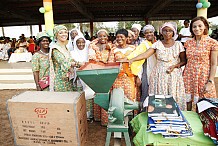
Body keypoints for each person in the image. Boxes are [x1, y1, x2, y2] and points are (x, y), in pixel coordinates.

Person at [123, 22, 187, 110]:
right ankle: (160, 117)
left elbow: (184, 61)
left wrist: (175, 66)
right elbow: (145, 54)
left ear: (174, 32)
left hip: (174, 75)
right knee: (160, 96)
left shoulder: (178, 45)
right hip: (159, 74)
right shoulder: (157, 44)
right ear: (161, 32)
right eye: (165, 31)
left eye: (169, 31)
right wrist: (131, 60)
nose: (167, 33)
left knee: (174, 95)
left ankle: (175, 117)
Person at [183, 16, 218, 111]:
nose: (197, 29)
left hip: (204, 76)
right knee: (188, 102)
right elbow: (184, 60)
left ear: (205, 27)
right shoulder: (188, 43)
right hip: (189, 75)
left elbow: (214, 64)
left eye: (199, 26)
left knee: (205, 104)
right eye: (194, 26)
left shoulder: (212, 43)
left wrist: (210, 81)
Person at [127, 25, 157, 103]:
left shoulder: (159, 43)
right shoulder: (144, 44)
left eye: (150, 32)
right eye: (146, 33)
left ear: (154, 33)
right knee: (146, 92)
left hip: (158, 71)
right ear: (144, 35)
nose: (149, 34)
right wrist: (139, 76)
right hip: (146, 70)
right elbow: (138, 59)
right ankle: (144, 111)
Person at [49, 25, 81, 92]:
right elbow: (64, 62)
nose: (64, 34)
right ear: (56, 35)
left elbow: (70, 59)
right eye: (61, 33)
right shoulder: (55, 49)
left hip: (69, 79)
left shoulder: (66, 48)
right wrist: (78, 64)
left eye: (65, 32)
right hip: (60, 81)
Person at [112, 29, 137, 101]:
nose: (119, 39)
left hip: (130, 77)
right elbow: (111, 64)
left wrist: (139, 76)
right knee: (118, 99)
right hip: (117, 78)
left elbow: (138, 63)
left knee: (130, 98)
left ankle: (132, 112)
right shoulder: (113, 50)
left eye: (121, 37)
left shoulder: (133, 48)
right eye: (117, 37)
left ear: (126, 38)